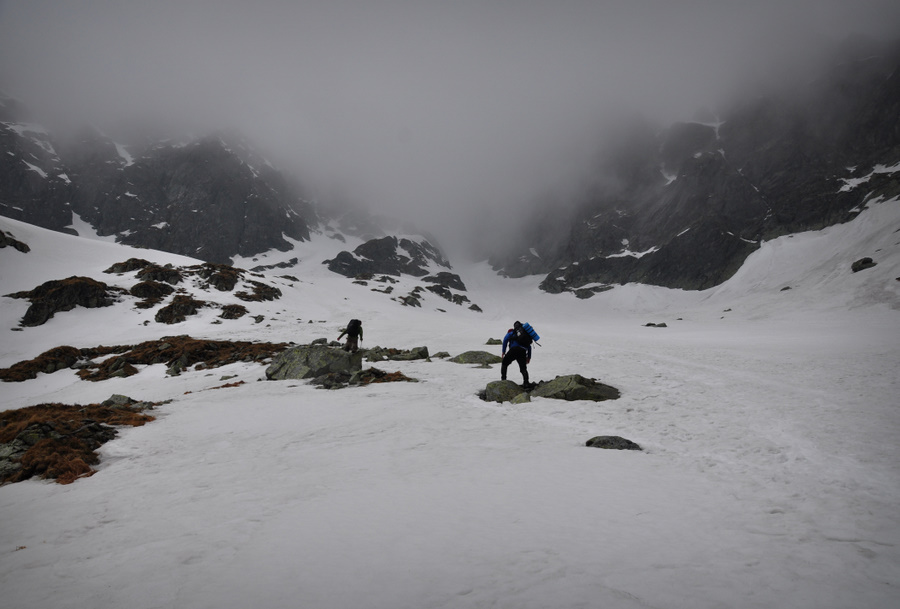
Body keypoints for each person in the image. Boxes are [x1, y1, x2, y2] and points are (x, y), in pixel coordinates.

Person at [501, 321, 533, 389]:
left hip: (514, 350)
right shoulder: (523, 335)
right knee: (523, 369)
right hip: (522, 351)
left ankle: (503, 380)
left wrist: (503, 352)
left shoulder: (511, 333)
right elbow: (529, 347)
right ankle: (526, 383)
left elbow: (505, 340)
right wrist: (529, 357)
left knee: (504, 363)